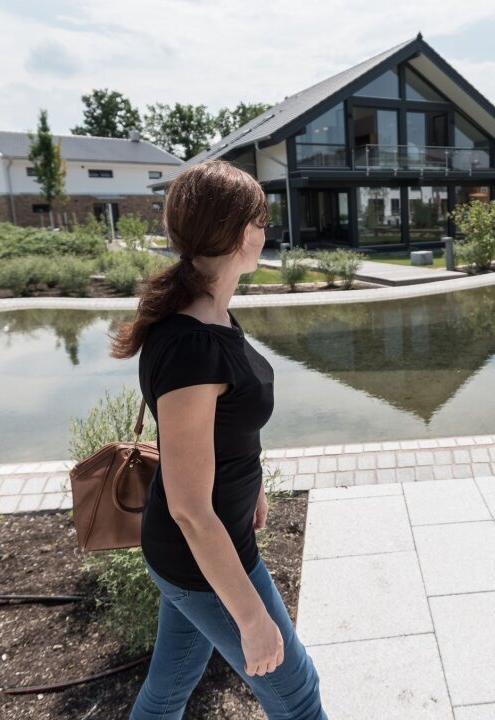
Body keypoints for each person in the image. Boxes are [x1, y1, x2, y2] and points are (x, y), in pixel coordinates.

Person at [112, 160, 328, 719]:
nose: (266, 231)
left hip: (209, 545)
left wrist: (250, 481)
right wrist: (251, 618)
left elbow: (226, 425)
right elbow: (188, 508)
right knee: (298, 693)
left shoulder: (217, 317)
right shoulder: (191, 344)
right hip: (200, 555)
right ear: (239, 234)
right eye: (261, 220)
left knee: (167, 691)